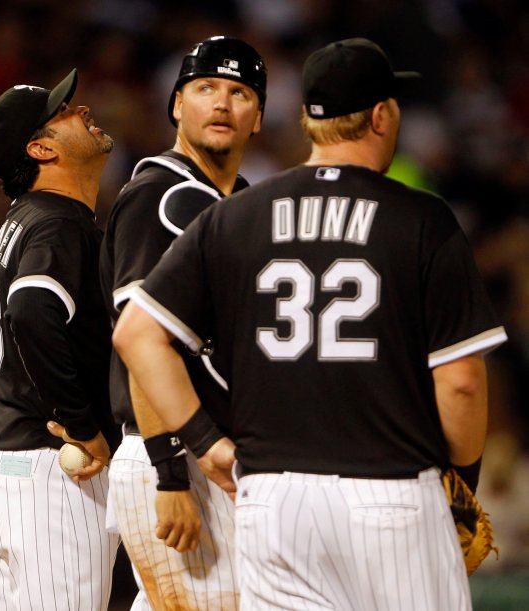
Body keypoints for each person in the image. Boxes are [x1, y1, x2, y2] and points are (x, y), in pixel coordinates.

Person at [112, 38, 509, 611]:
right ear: (381, 115)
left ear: (306, 118)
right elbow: (462, 382)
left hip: (274, 499)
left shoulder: (234, 216)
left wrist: (205, 444)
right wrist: (461, 484)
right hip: (391, 490)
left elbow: (135, 335)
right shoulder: (421, 218)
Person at [99, 35, 266, 610]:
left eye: (239, 92)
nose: (222, 103)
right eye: (205, 88)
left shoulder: (234, 203)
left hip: (205, 455)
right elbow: (142, 341)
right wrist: (168, 474)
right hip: (173, 455)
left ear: (259, 118)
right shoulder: (161, 196)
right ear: (176, 105)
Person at [0, 69, 121, 611]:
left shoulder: (18, 226)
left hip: (4, 471)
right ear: (42, 147)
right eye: (63, 111)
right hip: (53, 479)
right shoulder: (59, 221)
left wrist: (4, 420)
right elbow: (31, 310)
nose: (81, 110)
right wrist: (80, 423)